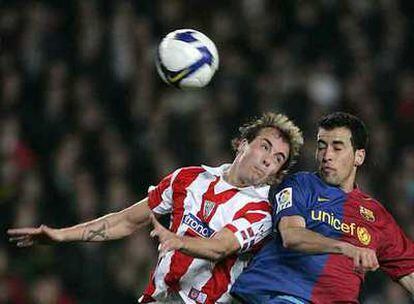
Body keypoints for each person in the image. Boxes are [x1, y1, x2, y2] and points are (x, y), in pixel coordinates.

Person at [8, 112, 304, 304]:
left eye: (278, 158)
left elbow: (219, 248)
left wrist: (179, 241)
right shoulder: (188, 178)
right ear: (242, 144)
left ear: (276, 174)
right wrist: (61, 236)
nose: (268, 159)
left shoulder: (263, 209)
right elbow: (125, 221)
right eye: (265, 146)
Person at [230, 112, 414, 304]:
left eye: (337, 148)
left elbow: (410, 274)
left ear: (358, 157)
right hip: (277, 295)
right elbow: (292, 235)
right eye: (321, 147)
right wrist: (346, 248)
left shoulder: (376, 216)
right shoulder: (300, 184)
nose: (327, 156)